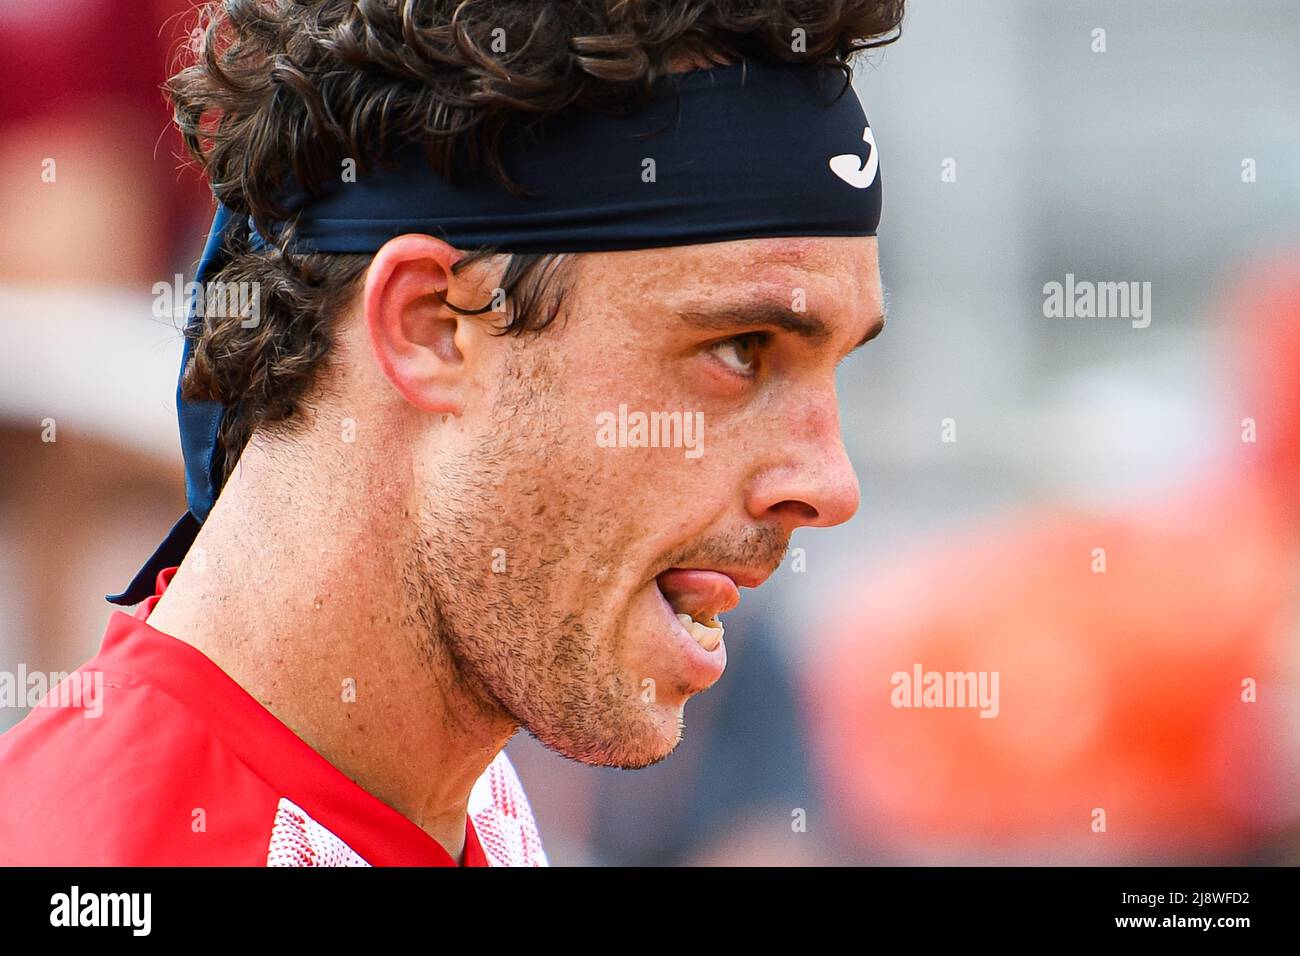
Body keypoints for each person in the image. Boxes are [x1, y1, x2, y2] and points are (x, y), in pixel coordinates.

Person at [0, 0, 902, 865]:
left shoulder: (441, 798)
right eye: (742, 349)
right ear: (433, 325)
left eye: (835, 367)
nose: (830, 484)